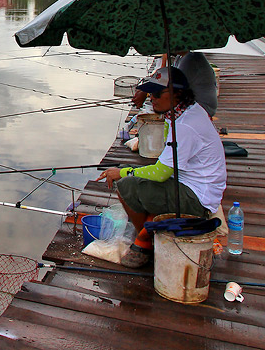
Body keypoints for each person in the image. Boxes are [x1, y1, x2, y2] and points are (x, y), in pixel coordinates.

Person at [96, 66, 226, 268]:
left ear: (178, 93)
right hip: (195, 185)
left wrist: (121, 172)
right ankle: (152, 230)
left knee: (126, 185)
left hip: (198, 199)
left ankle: (148, 245)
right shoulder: (187, 112)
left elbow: (161, 172)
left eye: (157, 93)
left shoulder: (185, 126)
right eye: (150, 93)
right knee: (131, 174)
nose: (151, 99)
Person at [132, 51, 218, 117]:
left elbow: (169, 86)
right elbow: (165, 78)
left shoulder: (191, 59)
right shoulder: (179, 58)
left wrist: (145, 92)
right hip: (190, 106)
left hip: (202, 109)